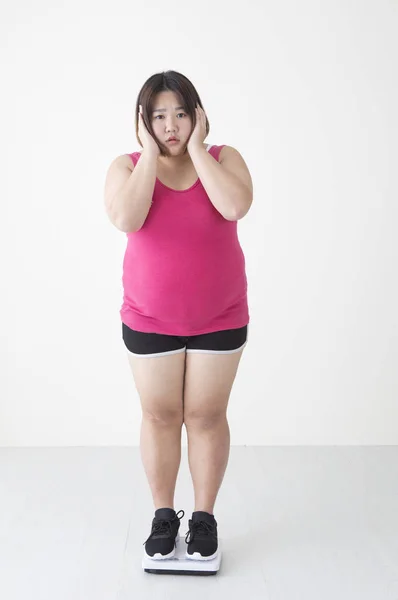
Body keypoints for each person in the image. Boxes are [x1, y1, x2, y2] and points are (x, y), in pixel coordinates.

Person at [103, 70, 253, 562]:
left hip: (220, 316)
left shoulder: (223, 159)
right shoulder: (126, 167)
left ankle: (204, 517)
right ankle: (164, 515)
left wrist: (196, 152)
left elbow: (235, 206)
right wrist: (150, 155)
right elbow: (126, 218)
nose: (172, 125)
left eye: (181, 114)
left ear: (198, 116)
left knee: (206, 417)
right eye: (160, 116)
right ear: (143, 122)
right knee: (161, 416)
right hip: (150, 319)